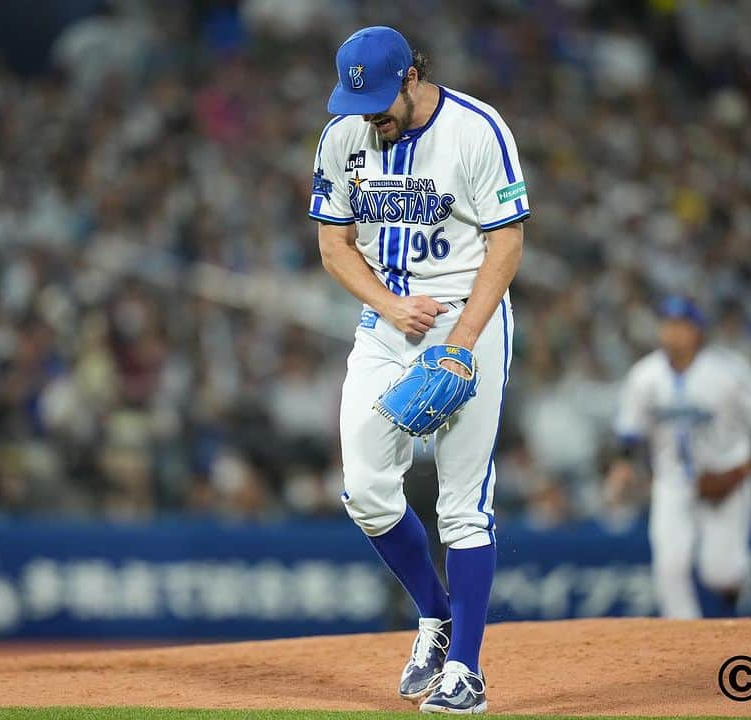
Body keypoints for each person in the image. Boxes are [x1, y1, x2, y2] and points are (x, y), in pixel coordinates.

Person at [310, 26, 529, 714]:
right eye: (356, 100)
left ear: (411, 77)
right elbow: (333, 243)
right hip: (388, 323)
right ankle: (435, 616)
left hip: (471, 316)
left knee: (462, 505)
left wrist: (462, 341)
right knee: (365, 487)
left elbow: (507, 242)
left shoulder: (476, 130)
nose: (367, 114)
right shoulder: (344, 133)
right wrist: (388, 304)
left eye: (377, 98)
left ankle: (466, 670)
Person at [605, 297, 751, 619]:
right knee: (669, 565)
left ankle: (735, 600)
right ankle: (683, 639)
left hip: (726, 478)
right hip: (673, 480)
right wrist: (622, 468)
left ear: (697, 331)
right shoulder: (645, 375)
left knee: (721, 573)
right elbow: (630, 433)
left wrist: (745, 467)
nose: (672, 332)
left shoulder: (728, 371)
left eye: (680, 325)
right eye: (667, 324)